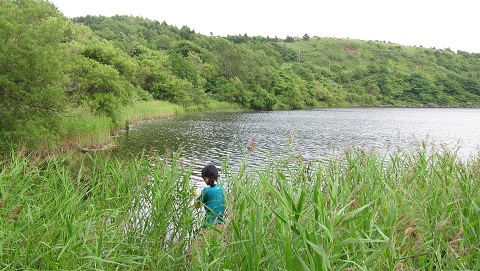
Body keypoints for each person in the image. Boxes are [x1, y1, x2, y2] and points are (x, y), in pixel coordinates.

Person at [188, 164, 226, 261]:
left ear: (207, 177)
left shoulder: (207, 190)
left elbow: (197, 205)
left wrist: (196, 195)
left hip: (209, 227)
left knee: (192, 254)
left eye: (204, 178)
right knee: (214, 257)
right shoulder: (222, 189)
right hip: (221, 226)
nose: (204, 181)